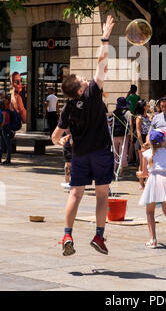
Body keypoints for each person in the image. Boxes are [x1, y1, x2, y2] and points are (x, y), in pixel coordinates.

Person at [52, 15, 115, 257]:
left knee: (75, 194)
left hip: (79, 156)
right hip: (100, 153)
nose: (86, 79)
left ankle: (67, 234)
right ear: (80, 89)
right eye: (82, 80)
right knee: (102, 194)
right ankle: (99, 235)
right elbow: (102, 62)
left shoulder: (67, 108)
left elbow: (55, 136)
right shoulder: (92, 94)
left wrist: (64, 140)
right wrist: (105, 37)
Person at [137, 129, 166, 248]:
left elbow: (145, 173)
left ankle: (153, 239)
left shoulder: (146, 154)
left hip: (154, 180)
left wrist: (140, 174)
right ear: (163, 141)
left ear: (150, 141)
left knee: (150, 211)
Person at [112, 97, 133, 178]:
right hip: (124, 135)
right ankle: (120, 173)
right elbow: (130, 124)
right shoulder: (128, 112)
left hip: (114, 135)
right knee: (123, 153)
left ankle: (114, 172)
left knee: (115, 154)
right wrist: (131, 135)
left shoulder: (115, 112)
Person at [135, 99, 151, 189]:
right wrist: (141, 143)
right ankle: (141, 183)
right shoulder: (139, 117)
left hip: (149, 139)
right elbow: (138, 131)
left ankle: (147, 181)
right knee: (142, 162)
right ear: (144, 106)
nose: (149, 104)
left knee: (148, 162)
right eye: (147, 103)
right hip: (142, 139)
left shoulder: (148, 116)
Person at [0, 99, 12, 165]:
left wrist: (1, 127)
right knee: (2, 144)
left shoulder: (4, 112)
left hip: (5, 128)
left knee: (7, 144)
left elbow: (4, 122)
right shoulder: (5, 111)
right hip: (4, 128)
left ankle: (8, 159)